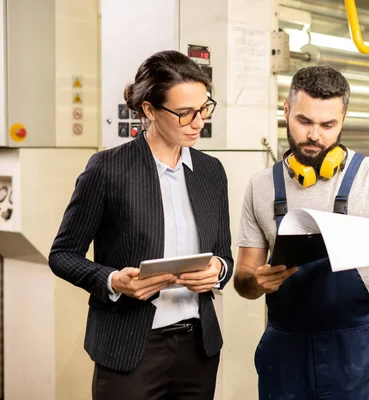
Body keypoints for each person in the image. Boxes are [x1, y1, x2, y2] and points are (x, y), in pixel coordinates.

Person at [233, 65, 369, 399]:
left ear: (343, 119)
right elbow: (243, 279)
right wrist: (254, 281)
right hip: (284, 356)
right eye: (304, 121)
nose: (314, 135)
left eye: (328, 125)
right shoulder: (261, 187)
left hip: (354, 358)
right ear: (286, 111)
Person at [49, 50, 232, 400]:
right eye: (184, 113)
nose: (198, 122)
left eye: (204, 108)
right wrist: (112, 280)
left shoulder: (211, 172)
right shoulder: (108, 169)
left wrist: (218, 270)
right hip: (130, 349)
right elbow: (63, 255)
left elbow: (223, 253)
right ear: (149, 110)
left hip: (198, 348)